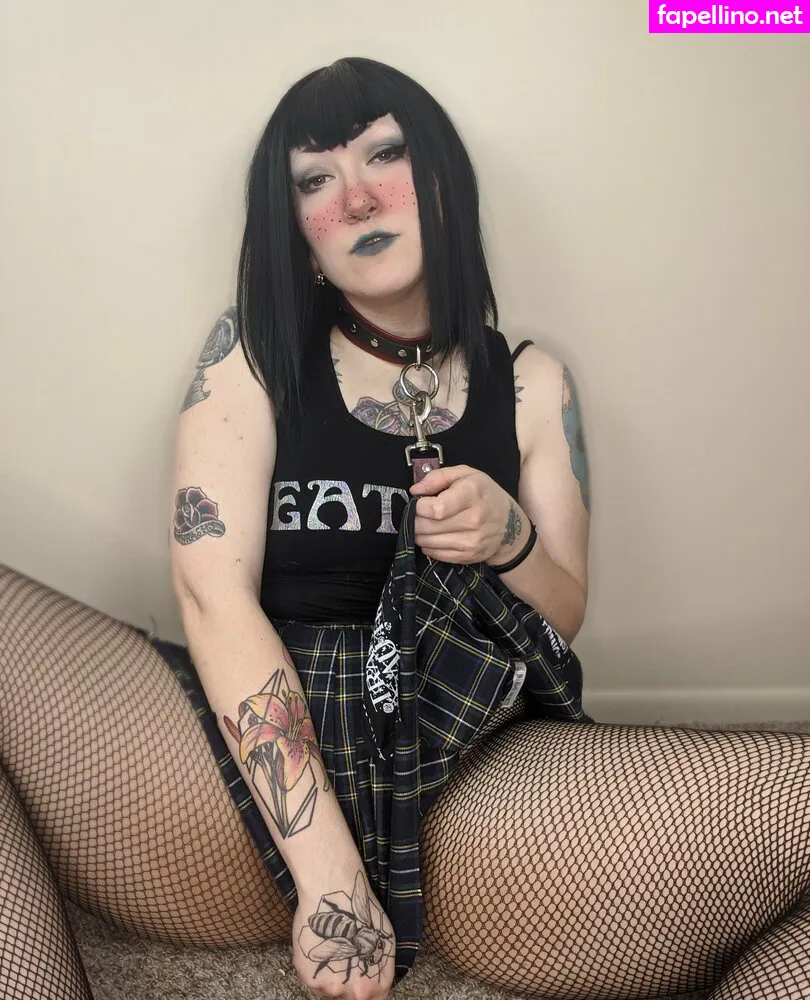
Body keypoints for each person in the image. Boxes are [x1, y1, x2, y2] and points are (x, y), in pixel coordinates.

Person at [0, 56, 808, 1000]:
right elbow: (211, 593)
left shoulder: (532, 381)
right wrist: (330, 882)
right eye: (315, 179)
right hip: (255, 763)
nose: (356, 197)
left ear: (443, 184)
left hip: (462, 773)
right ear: (299, 234)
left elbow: (563, 614)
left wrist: (509, 538)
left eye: (385, 154)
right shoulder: (253, 351)